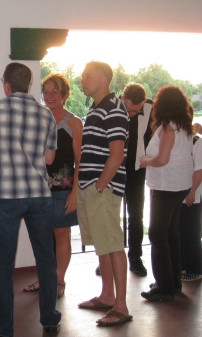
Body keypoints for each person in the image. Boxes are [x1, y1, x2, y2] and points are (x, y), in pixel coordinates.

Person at [0, 62, 61, 337]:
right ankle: (49, 318)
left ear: (7, 85)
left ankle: (3, 328)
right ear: (29, 84)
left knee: (3, 265)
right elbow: (49, 159)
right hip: (39, 195)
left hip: (8, 195)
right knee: (46, 260)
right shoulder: (45, 113)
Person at [77, 61, 132, 326]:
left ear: (104, 78)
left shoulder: (114, 107)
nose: (82, 80)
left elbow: (117, 154)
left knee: (112, 244)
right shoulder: (97, 107)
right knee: (103, 244)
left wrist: (100, 186)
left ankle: (121, 305)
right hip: (92, 186)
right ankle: (107, 295)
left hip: (103, 188)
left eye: (88, 76)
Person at [23, 73, 82, 299]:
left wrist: (75, 193)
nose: (49, 96)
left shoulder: (74, 123)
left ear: (65, 94)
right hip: (38, 190)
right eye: (45, 91)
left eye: (54, 91)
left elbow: (81, 161)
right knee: (41, 238)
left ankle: (58, 281)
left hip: (63, 190)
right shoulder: (37, 119)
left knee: (61, 236)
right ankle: (44, 278)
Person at [139, 85, 193, 301]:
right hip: (178, 185)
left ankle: (164, 287)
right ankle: (172, 282)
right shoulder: (183, 125)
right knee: (170, 233)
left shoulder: (169, 128)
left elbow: (162, 159)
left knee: (157, 234)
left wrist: (145, 162)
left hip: (166, 186)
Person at [121, 83, 153, 276]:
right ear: (124, 100)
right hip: (114, 171)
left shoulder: (152, 109)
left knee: (136, 217)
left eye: (137, 110)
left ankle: (135, 258)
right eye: (130, 110)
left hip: (137, 172)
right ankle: (109, 259)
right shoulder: (114, 107)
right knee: (110, 218)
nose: (133, 113)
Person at [178, 129, 202, 282]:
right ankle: (183, 264)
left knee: (192, 231)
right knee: (182, 230)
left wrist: (192, 191)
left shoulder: (197, 142)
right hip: (180, 191)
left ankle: (196, 267)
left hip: (192, 193)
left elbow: (199, 170)